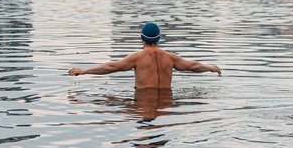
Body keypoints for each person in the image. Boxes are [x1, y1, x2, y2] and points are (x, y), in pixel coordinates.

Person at [68, 22, 221, 89]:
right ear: (159, 39)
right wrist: (211, 68)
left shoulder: (137, 58)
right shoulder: (171, 58)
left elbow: (110, 67)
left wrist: (85, 70)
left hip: (142, 102)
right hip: (167, 102)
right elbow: (193, 66)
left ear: (141, 39)